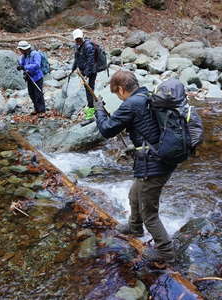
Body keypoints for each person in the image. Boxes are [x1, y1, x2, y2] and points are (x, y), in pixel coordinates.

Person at [94, 70, 176, 265]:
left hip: (154, 164)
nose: (119, 98)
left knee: (149, 212)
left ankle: (166, 251)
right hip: (160, 158)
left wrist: (98, 110)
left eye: (117, 94)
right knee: (134, 194)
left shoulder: (131, 104)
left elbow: (106, 130)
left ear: (122, 89)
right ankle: (134, 227)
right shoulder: (147, 96)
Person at [71, 28, 97, 121]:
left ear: (82, 37)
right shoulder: (77, 46)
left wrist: (86, 74)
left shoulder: (88, 46)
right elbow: (76, 58)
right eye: (76, 39)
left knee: (90, 90)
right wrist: (73, 68)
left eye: (79, 39)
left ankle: (91, 111)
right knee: (87, 90)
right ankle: (91, 106)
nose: (78, 41)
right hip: (83, 72)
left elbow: (91, 62)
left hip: (91, 72)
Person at [16, 41, 46, 117]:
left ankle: (42, 110)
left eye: (20, 49)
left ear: (25, 49)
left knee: (38, 93)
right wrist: (20, 67)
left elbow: (37, 65)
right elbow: (22, 64)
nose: (20, 51)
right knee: (31, 94)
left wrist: (25, 67)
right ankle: (36, 108)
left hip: (37, 77)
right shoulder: (24, 56)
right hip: (29, 77)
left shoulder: (35, 54)